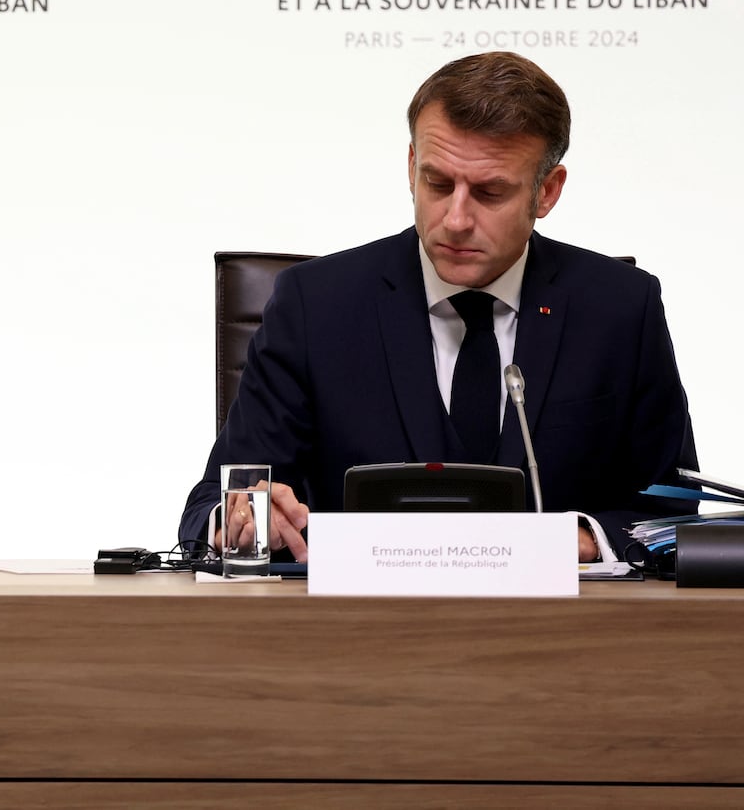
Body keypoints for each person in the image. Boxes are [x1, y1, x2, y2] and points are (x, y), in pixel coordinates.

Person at [178, 51, 697, 563]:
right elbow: (210, 510)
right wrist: (240, 521)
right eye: (438, 183)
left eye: (490, 192)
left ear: (548, 192)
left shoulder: (621, 308)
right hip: (354, 631)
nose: (454, 219)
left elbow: (676, 513)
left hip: (563, 631)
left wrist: (585, 539)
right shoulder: (315, 305)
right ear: (411, 166)